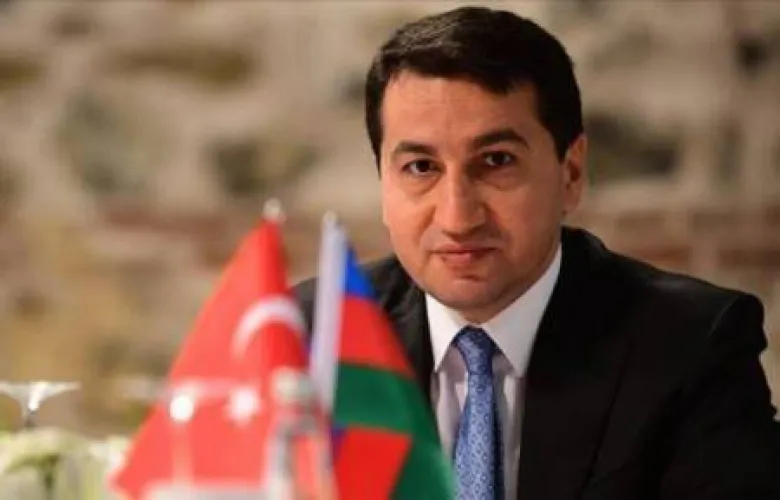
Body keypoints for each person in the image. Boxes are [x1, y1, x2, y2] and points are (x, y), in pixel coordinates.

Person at [295, 6, 780, 500]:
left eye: (496, 161)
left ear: (571, 173)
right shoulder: (307, 338)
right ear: (383, 182)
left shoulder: (691, 347)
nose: (457, 218)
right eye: (421, 167)